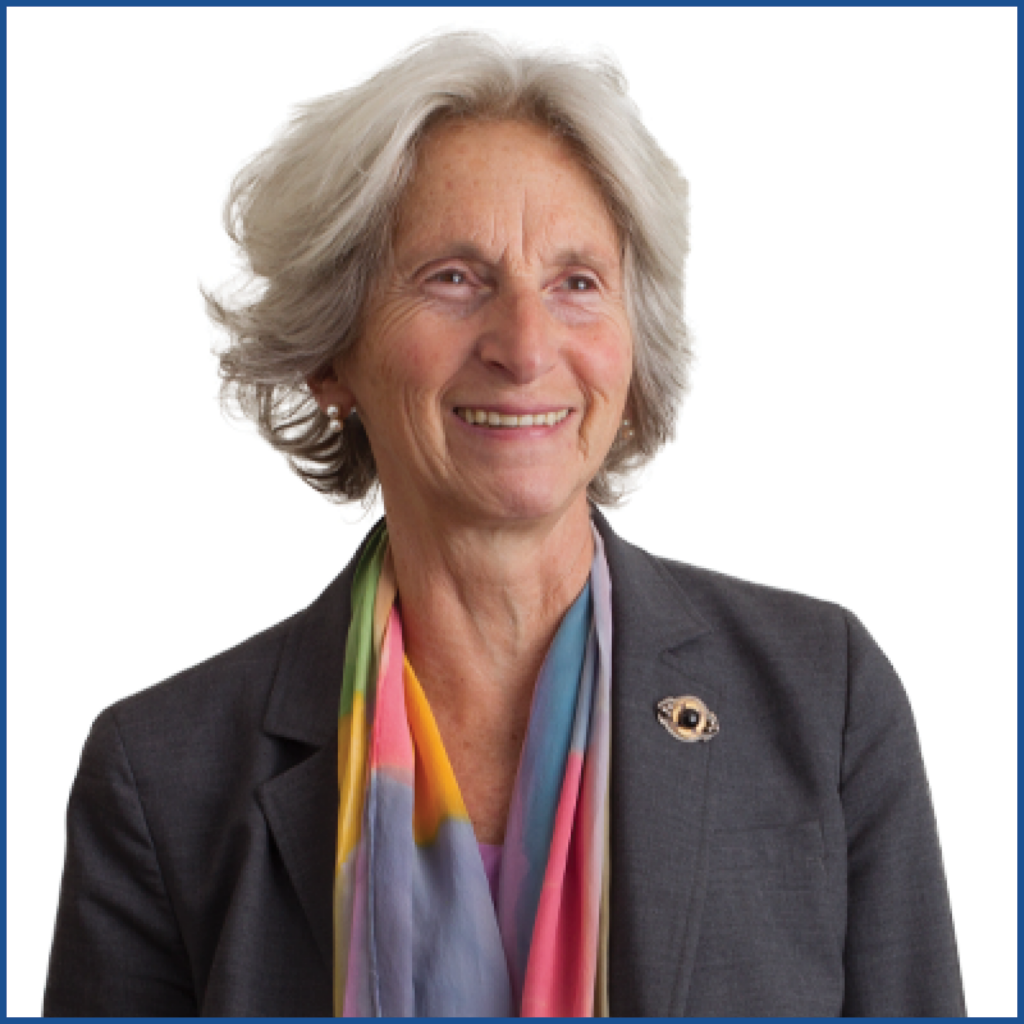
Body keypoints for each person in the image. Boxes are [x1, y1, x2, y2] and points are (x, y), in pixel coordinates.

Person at [43, 32, 965, 1017]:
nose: (526, 348)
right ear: (330, 354)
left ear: (630, 343)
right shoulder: (163, 775)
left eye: (576, 282)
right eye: (452, 276)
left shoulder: (822, 700)